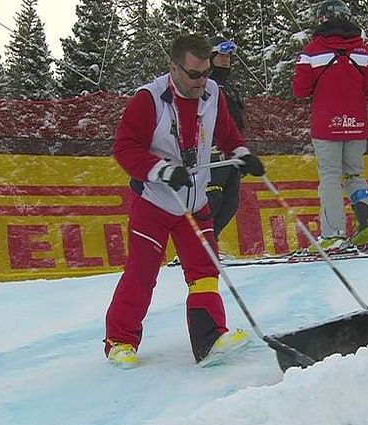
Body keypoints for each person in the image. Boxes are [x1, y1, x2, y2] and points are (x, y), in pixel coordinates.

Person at [105, 34, 266, 369]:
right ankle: (119, 342)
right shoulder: (149, 100)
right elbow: (125, 149)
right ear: (174, 68)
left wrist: (242, 154)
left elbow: (226, 134)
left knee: (205, 270)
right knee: (142, 273)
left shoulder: (213, 94)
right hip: (155, 202)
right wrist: (161, 170)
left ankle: (209, 340)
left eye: (205, 72)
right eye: (194, 74)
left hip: (194, 201)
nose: (201, 81)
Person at [292, 0, 368, 250]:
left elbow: (300, 91)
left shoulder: (312, 51)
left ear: (322, 19)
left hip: (326, 127)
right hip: (357, 125)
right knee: (354, 175)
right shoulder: (364, 52)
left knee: (331, 177)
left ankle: (333, 233)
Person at [205, 36, 246, 245]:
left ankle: (211, 240)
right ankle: (195, 244)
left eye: (229, 54)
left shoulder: (228, 85)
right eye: (222, 54)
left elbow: (236, 120)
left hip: (230, 151)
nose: (227, 58)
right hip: (211, 151)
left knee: (231, 202)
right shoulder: (204, 83)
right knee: (212, 197)